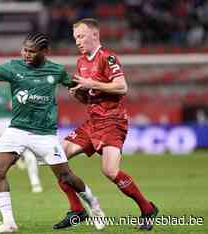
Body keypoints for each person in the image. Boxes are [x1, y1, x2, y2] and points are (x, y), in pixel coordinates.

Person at [0, 32, 105, 233]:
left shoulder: (56, 71)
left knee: (66, 177)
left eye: (31, 51)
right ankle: (9, 223)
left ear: (44, 52)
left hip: (44, 134)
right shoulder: (13, 67)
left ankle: (94, 206)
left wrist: (85, 93)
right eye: (24, 50)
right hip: (17, 129)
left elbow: (79, 87)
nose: (26, 54)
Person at [54, 18, 159, 231]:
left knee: (110, 171)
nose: (78, 41)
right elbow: (90, 96)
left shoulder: (107, 57)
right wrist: (79, 94)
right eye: (76, 38)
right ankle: (77, 210)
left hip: (112, 121)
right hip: (92, 122)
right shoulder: (81, 62)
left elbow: (122, 87)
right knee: (56, 156)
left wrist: (91, 83)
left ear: (95, 35)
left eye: (81, 36)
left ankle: (147, 209)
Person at [0, 82, 43, 193]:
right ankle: (15, 160)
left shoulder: (14, 88)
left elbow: (17, 106)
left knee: (28, 154)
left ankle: (35, 182)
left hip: (12, 121)